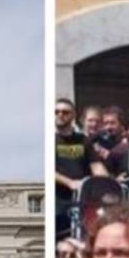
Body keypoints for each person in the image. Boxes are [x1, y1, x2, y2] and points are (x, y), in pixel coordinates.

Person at [55, 98, 101, 239]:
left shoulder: (83, 140)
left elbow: (96, 165)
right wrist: (69, 182)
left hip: (82, 198)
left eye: (65, 112)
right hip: (58, 200)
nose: (60, 115)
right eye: (56, 112)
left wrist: (107, 183)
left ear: (73, 115)